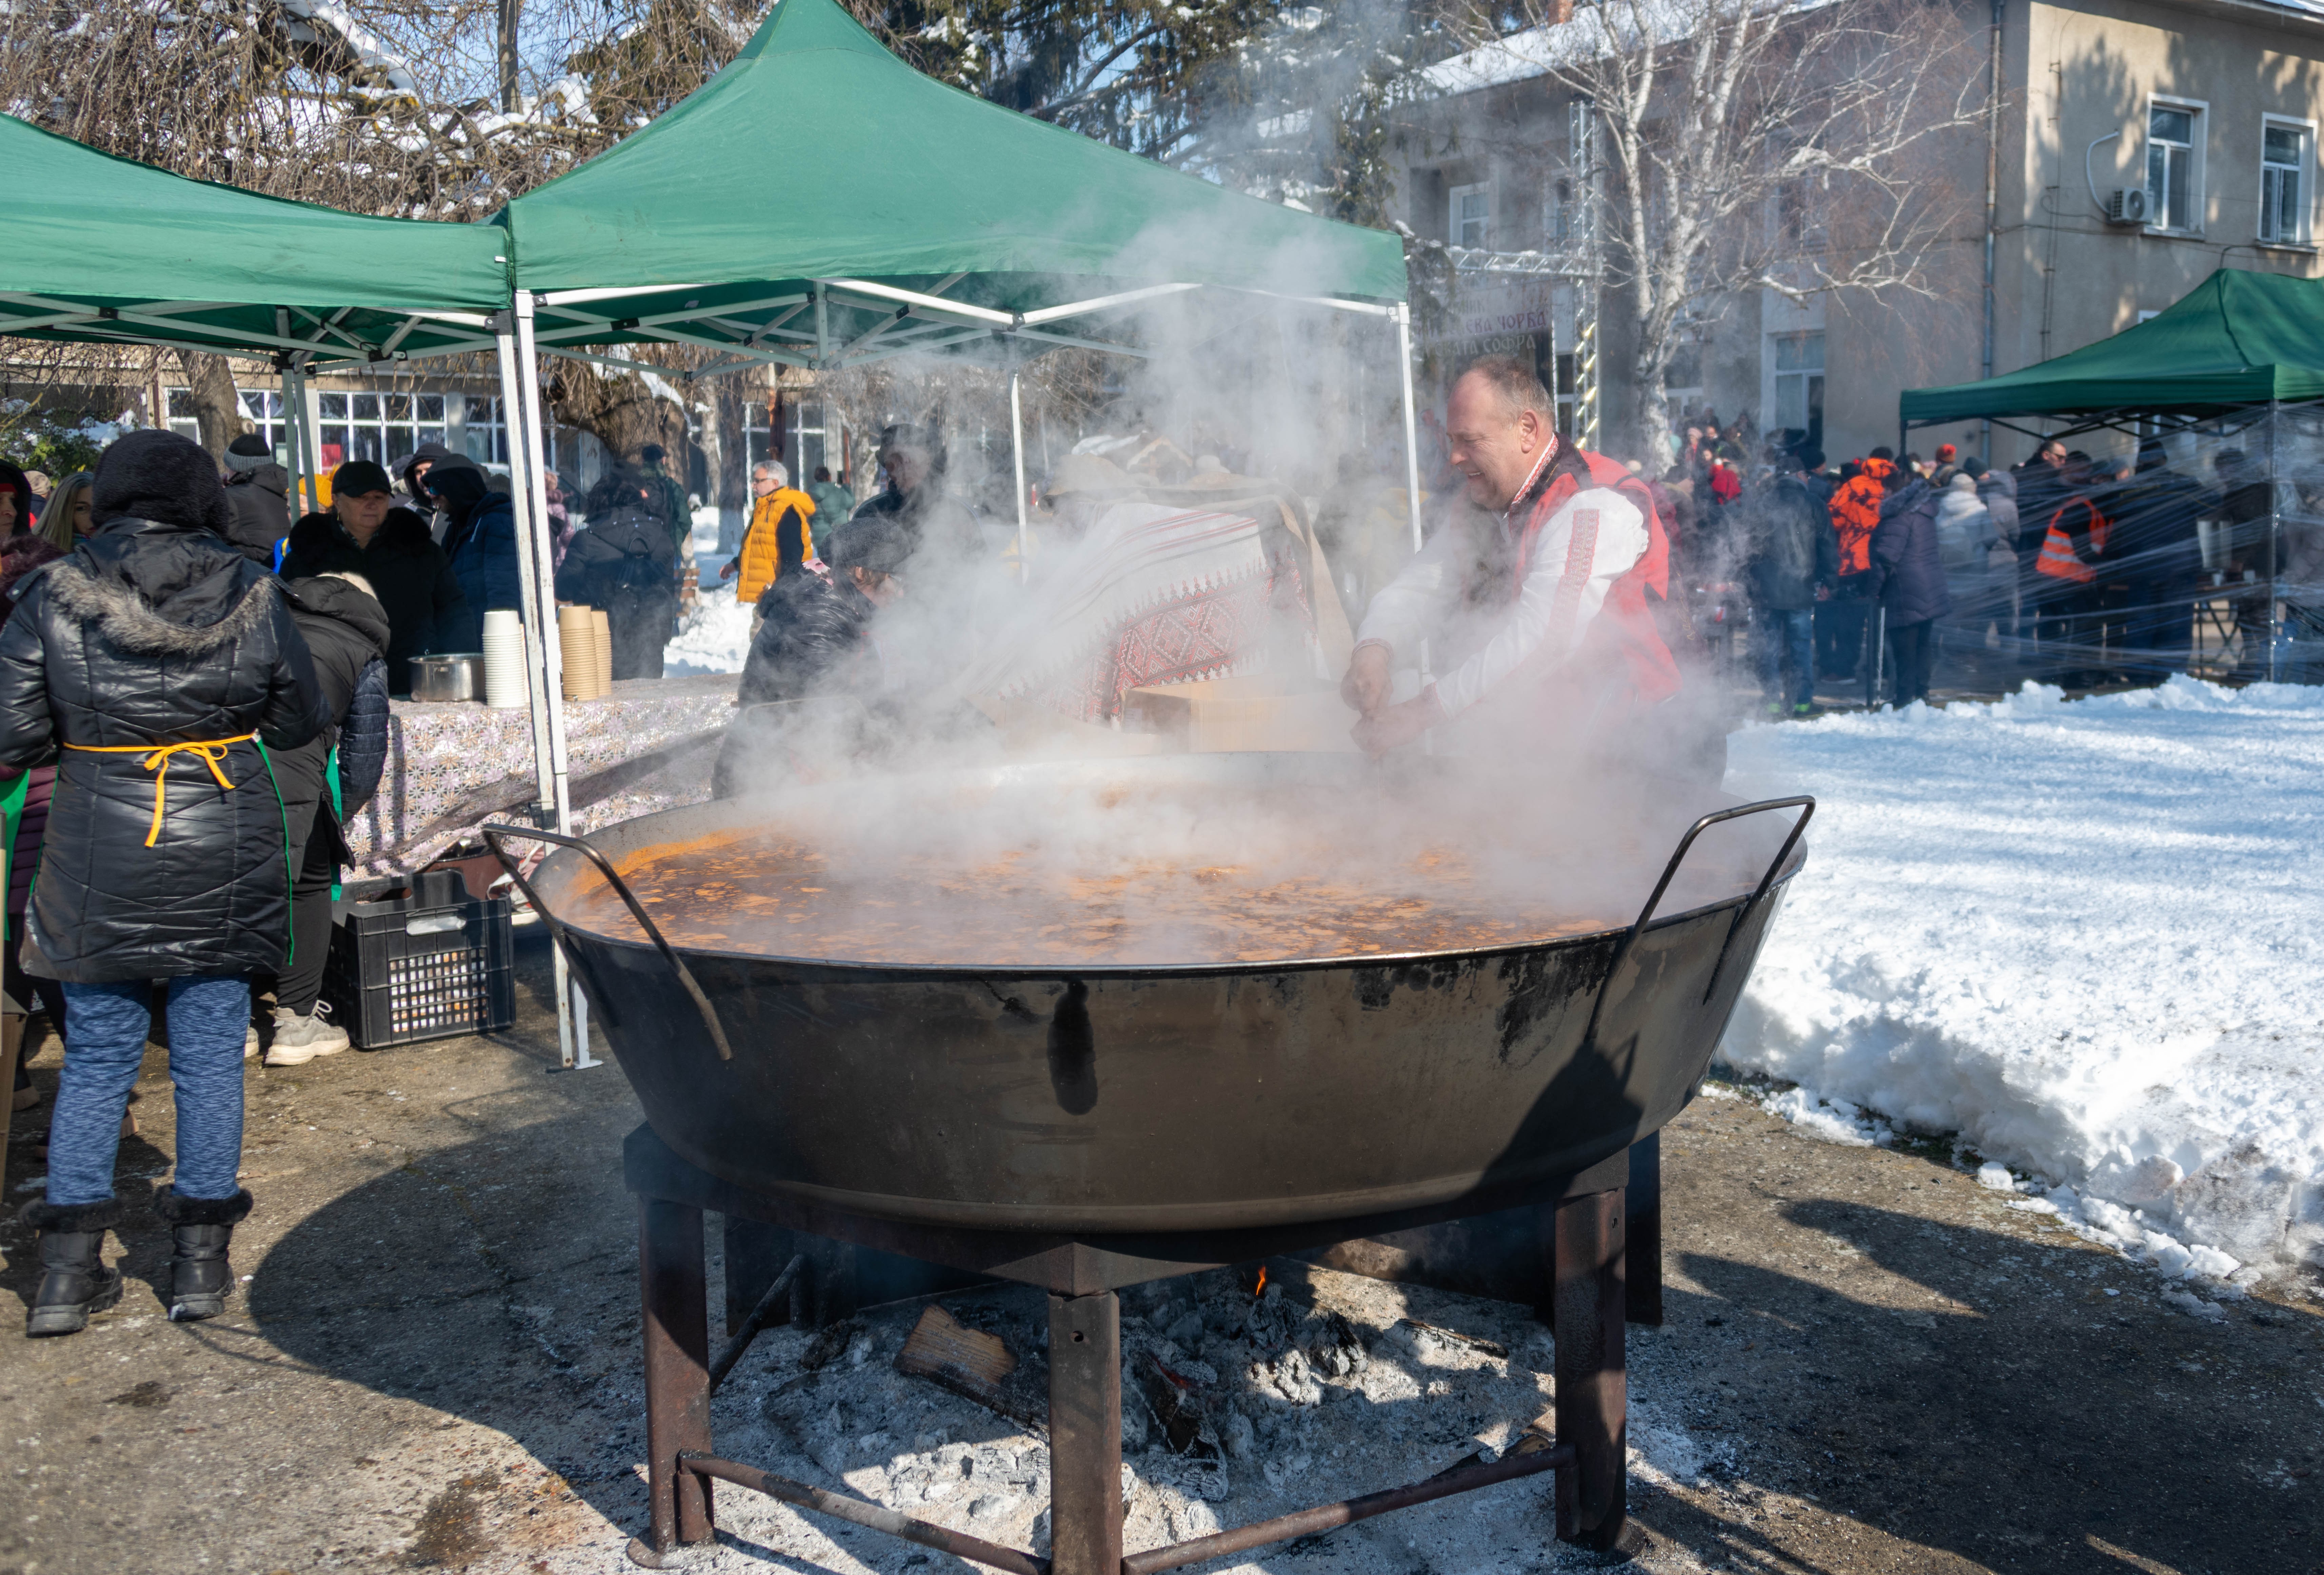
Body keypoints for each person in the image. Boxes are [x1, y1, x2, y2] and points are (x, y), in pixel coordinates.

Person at [0, 429, 322, 1336]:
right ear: (201, 499)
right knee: (212, 1051)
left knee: (98, 1058)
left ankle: (67, 1276)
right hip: (222, 837)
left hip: (97, 841)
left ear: (107, 497)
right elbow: (301, 713)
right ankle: (200, 1269)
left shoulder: (50, 592)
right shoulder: (254, 588)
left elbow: (9, 735)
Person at [1339, 355, 1677, 764]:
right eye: (1452, 441)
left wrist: (1418, 714)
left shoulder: (1593, 502)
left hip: (1635, 745)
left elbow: (1544, 640)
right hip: (1546, 747)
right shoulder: (1480, 505)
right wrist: (1373, 649)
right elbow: (1422, 586)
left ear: (1527, 431)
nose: (1454, 458)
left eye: (1470, 441)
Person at [261, 572, 391, 1064]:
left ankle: (227, 1022)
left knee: (230, 884)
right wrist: (343, 814)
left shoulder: (267, 613)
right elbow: (362, 757)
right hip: (293, 767)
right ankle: (295, 1022)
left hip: (213, 766)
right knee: (310, 877)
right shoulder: (363, 647)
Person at [281, 460, 471, 695]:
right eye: (361, 497)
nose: (371, 504)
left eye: (380, 497)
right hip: (334, 687)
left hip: (412, 684)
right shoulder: (307, 555)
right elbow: (286, 621)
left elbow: (454, 611)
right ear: (337, 501)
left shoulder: (421, 551)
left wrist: (459, 665)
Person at [557, 469, 679, 680]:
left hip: (598, 643)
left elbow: (563, 589)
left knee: (602, 709)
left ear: (598, 501)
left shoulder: (587, 540)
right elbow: (667, 591)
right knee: (645, 706)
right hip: (650, 641)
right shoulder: (662, 537)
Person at [1741, 455, 1838, 718]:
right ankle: (1802, 703)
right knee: (1801, 649)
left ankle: (1772, 702)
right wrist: (1830, 581)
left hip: (1766, 591)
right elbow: (1828, 546)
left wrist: (1749, 585)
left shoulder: (1761, 504)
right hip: (1801, 589)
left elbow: (1747, 548)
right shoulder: (1814, 504)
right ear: (1799, 476)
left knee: (1769, 649)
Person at [2102, 440, 2207, 673]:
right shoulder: (2182, 484)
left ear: (2139, 461)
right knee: (2175, 623)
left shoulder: (2127, 490)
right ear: (2163, 459)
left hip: (2140, 566)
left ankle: (2139, 675)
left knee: (2141, 622)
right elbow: (2212, 503)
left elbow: (2112, 523)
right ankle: (2169, 675)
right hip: (2178, 567)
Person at [844, 423, 986, 567]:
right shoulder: (868, 513)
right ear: (886, 466)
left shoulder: (958, 511)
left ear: (928, 461)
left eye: (911, 458)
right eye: (895, 459)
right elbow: (853, 573)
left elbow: (979, 567)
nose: (904, 466)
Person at [1871, 459, 1950, 705]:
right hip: (1928, 586)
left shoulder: (1898, 517)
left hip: (1904, 588)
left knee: (1904, 648)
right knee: (1922, 645)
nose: (1883, 493)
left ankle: (1904, 698)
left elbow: (1886, 558)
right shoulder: (1923, 514)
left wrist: (1873, 591)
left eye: (1887, 489)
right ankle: (1921, 693)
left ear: (1896, 492)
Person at [427, 455, 520, 633]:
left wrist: (495, 649)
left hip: (490, 646)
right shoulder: (457, 527)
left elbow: (504, 596)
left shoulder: (496, 522)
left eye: (437, 487)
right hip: (464, 639)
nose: (433, 495)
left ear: (456, 486)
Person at [1821, 453, 1890, 679]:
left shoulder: (1854, 485)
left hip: (1854, 563)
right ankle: (1881, 669)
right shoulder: (1893, 489)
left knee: (1850, 620)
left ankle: (1844, 670)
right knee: (1883, 620)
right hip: (1884, 561)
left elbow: (1834, 518)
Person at [722, 461, 816, 606]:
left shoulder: (785, 510)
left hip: (778, 599)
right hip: (767, 597)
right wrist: (735, 564)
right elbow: (760, 548)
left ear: (775, 483)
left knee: (763, 630)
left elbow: (792, 558)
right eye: (753, 481)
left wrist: (784, 595)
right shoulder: (764, 509)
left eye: (758, 481)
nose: (753, 485)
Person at [220, 433, 293, 569]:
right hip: (295, 570)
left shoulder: (231, 499)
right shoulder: (296, 483)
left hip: (259, 577)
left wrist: (223, 492)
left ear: (235, 467)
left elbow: (215, 538)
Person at [637, 442, 693, 560]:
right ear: (663, 461)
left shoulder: (634, 487)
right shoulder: (672, 487)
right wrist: (675, 541)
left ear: (642, 461)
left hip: (639, 551)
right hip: (670, 551)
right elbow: (685, 520)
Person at [398, 440, 455, 536]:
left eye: (429, 470)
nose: (423, 477)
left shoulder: (463, 510)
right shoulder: (409, 513)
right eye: (418, 472)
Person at [35, 470, 94, 553]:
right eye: (81, 509)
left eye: (99, 507)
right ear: (63, 511)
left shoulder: (114, 549)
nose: (93, 516)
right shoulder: (39, 555)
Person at [806, 464, 855, 561]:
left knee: (824, 566)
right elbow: (851, 502)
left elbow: (808, 515)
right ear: (829, 477)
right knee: (838, 566)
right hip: (838, 535)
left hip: (819, 537)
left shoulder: (810, 494)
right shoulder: (838, 492)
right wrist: (846, 487)